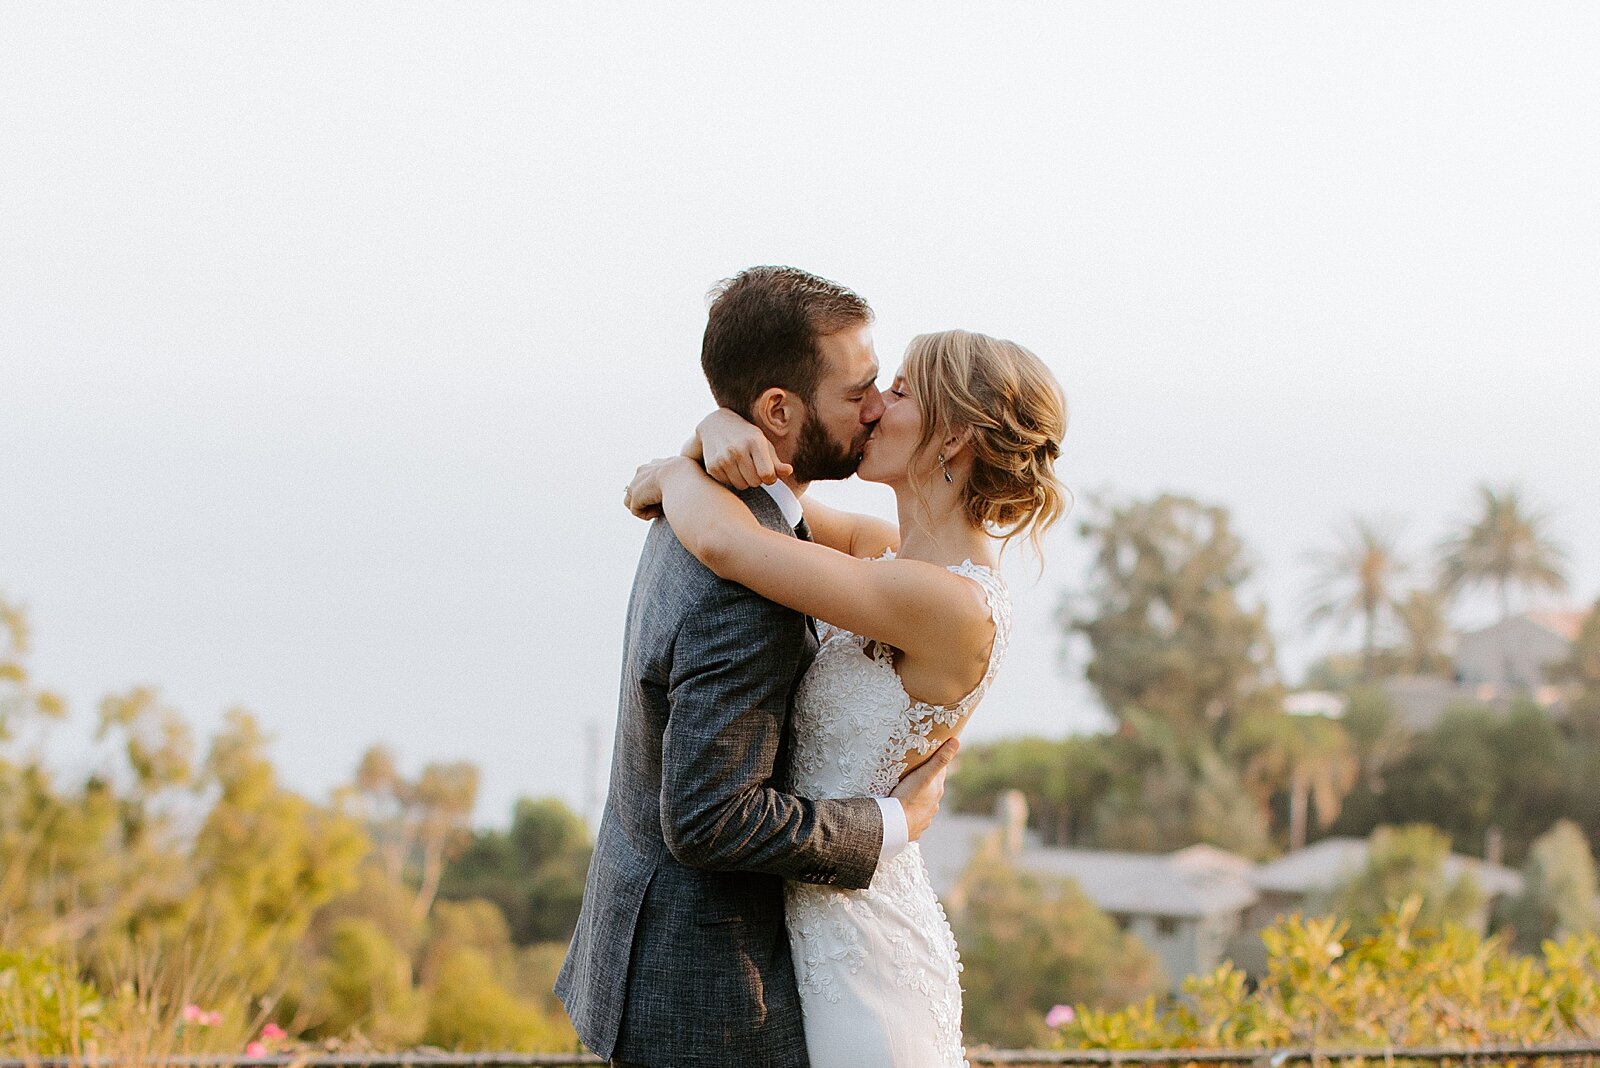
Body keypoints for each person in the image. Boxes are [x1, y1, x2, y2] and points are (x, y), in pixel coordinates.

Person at [624, 324, 1068, 1067]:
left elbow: (731, 545)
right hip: (814, 934)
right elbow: (757, 503)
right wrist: (708, 433)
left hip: (868, 963)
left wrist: (675, 475)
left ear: (954, 436)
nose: (872, 409)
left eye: (897, 393)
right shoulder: (881, 552)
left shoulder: (952, 605)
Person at [556, 266, 961, 1068]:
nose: (876, 406)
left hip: (653, 958)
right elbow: (710, 819)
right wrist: (892, 826)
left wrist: (688, 454)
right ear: (779, 409)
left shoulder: (729, 515)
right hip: (708, 993)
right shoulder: (746, 584)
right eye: (859, 391)